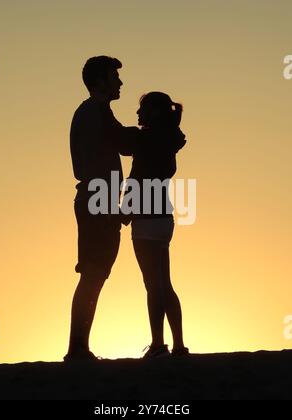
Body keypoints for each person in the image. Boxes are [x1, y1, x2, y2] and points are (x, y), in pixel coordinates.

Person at [65, 56, 126, 362]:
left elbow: (123, 142)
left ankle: (79, 347)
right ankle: (77, 349)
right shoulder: (94, 112)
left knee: (95, 273)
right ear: (100, 81)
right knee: (92, 273)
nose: (120, 83)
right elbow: (125, 143)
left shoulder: (96, 112)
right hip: (96, 199)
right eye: (114, 77)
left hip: (98, 198)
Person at [123, 92, 189, 358]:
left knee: (153, 285)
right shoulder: (166, 140)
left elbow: (136, 180)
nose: (138, 114)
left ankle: (159, 345)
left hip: (146, 220)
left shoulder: (147, 141)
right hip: (163, 218)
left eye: (142, 109)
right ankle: (178, 345)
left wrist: (124, 213)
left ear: (155, 112)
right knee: (165, 283)